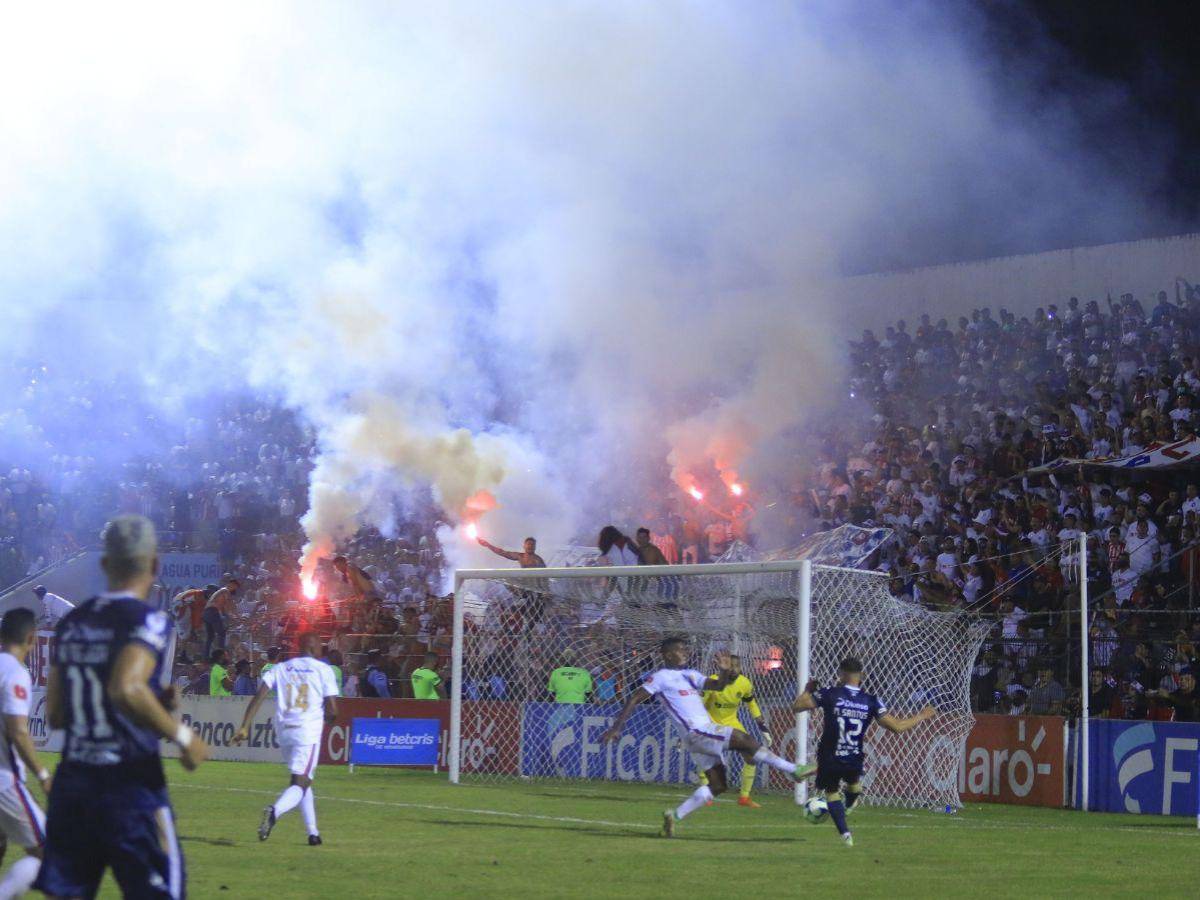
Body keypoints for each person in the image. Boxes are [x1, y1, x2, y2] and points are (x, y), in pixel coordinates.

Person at [35, 515, 209, 897]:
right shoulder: (149, 621)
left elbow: (56, 714)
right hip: (130, 786)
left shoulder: (71, 623)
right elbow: (126, 687)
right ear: (155, 565)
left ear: (103, 564)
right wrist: (182, 736)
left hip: (73, 786)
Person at [601, 639, 814, 837]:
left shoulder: (691, 675)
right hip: (697, 731)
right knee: (745, 739)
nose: (685, 652)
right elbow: (635, 698)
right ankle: (794, 769)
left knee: (718, 785)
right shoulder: (661, 677)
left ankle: (674, 816)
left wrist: (723, 671)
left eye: (686, 648)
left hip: (699, 736)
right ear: (666, 655)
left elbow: (718, 686)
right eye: (679, 649)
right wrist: (617, 727)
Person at [793, 657, 936, 847]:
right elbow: (898, 727)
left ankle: (846, 836)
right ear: (862, 675)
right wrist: (922, 715)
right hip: (854, 755)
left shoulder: (830, 693)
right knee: (854, 787)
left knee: (832, 792)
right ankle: (849, 803)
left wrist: (809, 689)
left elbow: (798, 706)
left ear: (841, 674)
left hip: (830, 755)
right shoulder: (872, 701)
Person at [233, 631, 339, 846]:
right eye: (321, 645)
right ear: (314, 646)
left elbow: (259, 696)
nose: (322, 649)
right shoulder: (323, 669)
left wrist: (245, 726)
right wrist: (328, 719)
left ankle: (313, 833)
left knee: (303, 780)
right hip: (306, 731)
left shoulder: (281, 668)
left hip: (284, 731)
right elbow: (333, 710)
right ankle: (274, 812)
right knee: (300, 782)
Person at [0, 608, 52, 898]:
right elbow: (18, 730)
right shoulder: (16, 672)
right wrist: (43, 775)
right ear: (32, 637)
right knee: (50, 854)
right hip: (4, 782)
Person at [700, 653, 771, 808]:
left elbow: (750, 702)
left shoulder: (745, 683)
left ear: (741, 668)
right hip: (711, 722)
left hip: (732, 723)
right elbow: (699, 705)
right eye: (730, 666)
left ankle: (744, 798)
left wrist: (760, 723)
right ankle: (707, 794)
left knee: (751, 756)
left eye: (736, 666)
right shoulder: (712, 682)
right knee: (707, 757)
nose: (733, 670)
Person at [203, 576, 239, 660]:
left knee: (210, 636)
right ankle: (221, 655)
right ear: (231, 584)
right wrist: (237, 616)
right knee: (222, 633)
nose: (235, 589)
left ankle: (206, 656)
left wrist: (233, 617)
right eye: (235, 587)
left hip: (206, 613)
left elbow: (225, 611)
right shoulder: (225, 590)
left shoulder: (220, 594)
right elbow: (230, 605)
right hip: (212, 612)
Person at [476, 536, 546, 568]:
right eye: (529, 544)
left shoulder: (538, 560)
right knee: (508, 578)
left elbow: (544, 576)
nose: (531, 546)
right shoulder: (520, 556)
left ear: (535, 547)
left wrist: (546, 592)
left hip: (537, 586)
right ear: (524, 546)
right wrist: (488, 545)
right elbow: (502, 552)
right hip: (525, 584)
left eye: (533, 545)